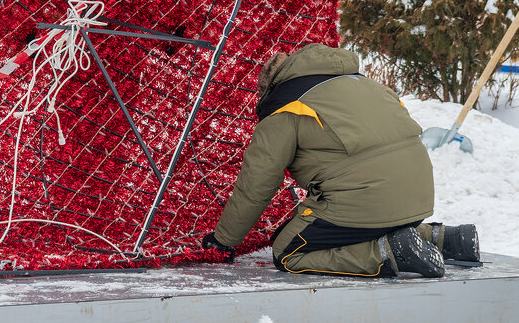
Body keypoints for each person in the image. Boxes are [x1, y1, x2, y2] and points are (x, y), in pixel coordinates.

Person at [201, 43, 479, 277]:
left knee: (287, 249)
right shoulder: (368, 85)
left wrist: (224, 241)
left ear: (272, 87)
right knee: (360, 221)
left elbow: (256, 183)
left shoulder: (286, 106)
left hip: (366, 197)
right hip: (418, 193)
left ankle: (387, 253)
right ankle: (448, 239)